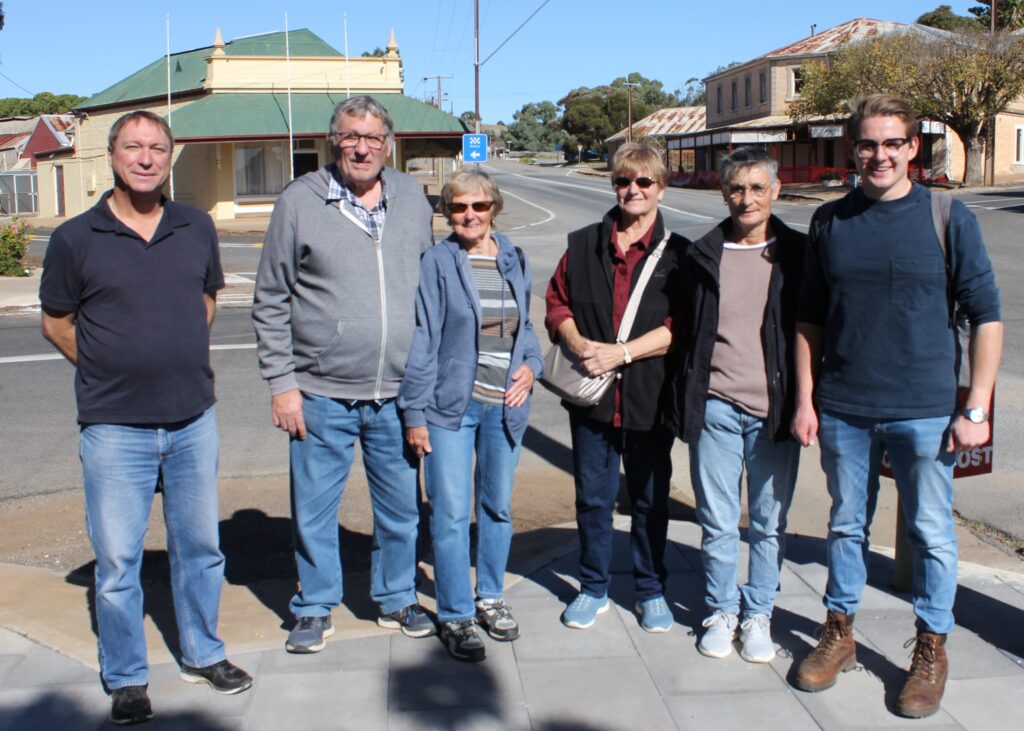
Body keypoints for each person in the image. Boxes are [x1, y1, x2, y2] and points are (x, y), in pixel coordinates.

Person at [790, 94, 1002, 718]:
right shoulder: (829, 221)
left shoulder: (946, 216)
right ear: (851, 148)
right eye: (867, 144)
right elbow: (809, 319)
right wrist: (806, 398)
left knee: (931, 532)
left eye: (892, 143)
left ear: (913, 148)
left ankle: (930, 649)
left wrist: (977, 409)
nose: (878, 155)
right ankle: (839, 633)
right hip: (845, 407)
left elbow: (987, 317)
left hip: (927, 409)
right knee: (845, 526)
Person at [39, 110, 252, 726]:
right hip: (113, 428)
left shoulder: (195, 225)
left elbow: (206, 301)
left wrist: (174, 350)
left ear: (170, 156)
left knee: (200, 549)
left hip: (192, 421)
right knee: (117, 563)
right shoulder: (76, 238)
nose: (145, 157)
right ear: (111, 156)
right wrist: (107, 366)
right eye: (133, 147)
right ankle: (128, 676)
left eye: (157, 147)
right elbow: (56, 323)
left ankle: (204, 653)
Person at [252, 96, 436, 654]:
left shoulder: (411, 198)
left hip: (397, 394)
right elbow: (269, 298)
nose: (362, 147)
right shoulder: (299, 201)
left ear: (389, 143)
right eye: (351, 136)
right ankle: (314, 606)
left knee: (401, 508)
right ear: (334, 141)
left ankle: (397, 595)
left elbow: (430, 289)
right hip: (320, 392)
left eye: (374, 138)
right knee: (313, 511)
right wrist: (282, 384)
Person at [398, 168, 543, 661]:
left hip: (505, 407)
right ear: (447, 212)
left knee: (497, 508)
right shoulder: (438, 262)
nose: (469, 215)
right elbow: (424, 338)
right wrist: (414, 411)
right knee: (452, 513)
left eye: (478, 206)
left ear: (493, 209)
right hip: (450, 409)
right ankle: (457, 614)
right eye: (459, 207)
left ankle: (491, 597)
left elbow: (526, 326)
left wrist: (532, 366)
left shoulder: (512, 257)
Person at [545, 142, 687, 632]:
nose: (633, 190)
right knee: (594, 497)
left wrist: (622, 353)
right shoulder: (583, 243)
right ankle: (593, 587)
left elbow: (681, 326)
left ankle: (651, 589)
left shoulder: (681, 254)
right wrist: (578, 342)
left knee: (650, 498)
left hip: (650, 397)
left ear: (661, 189)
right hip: (591, 398)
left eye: (644, 182)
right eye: (624, 181)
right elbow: (556, 303)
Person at [671, 148, 805, 663]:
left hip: (774, 413)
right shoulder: (704, 252)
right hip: (716, 408)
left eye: (756, 187)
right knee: (719, 521)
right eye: (736, 188)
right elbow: (685, 328)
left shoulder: (798, 253)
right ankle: (722, 610)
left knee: (769, 523)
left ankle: (758, 615)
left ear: (775, 191)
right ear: (723, 192)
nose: (745, 198)